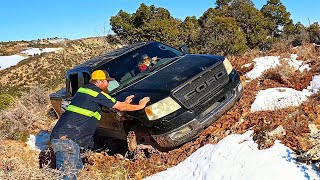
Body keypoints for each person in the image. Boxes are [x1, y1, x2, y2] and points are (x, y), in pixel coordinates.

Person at [50, 70, 150, 179]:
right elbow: (119, 107)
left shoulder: (83, 90)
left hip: (64, 136)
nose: (108, 84)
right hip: (67, 139)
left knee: (75, 170)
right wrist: (140, 106)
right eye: (107, 81)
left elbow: (113, 104)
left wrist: (124, 103)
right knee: (68, 175)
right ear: (100, 81)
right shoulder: (96, 93)